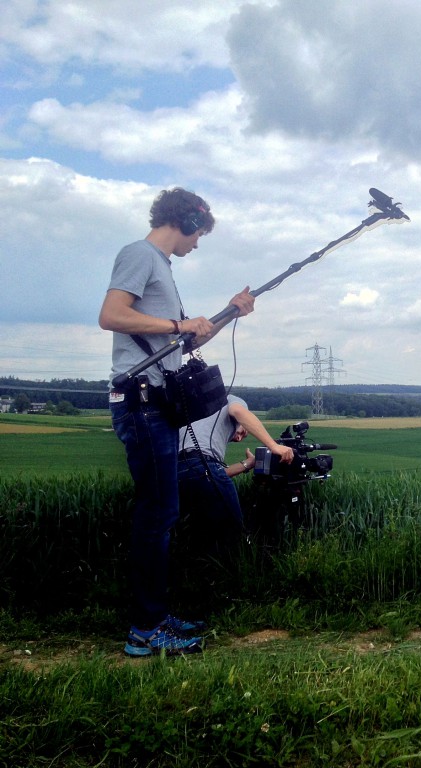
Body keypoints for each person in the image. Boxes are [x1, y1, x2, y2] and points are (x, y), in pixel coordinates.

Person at [99, 187, 255, 657]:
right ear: (187, 220)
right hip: (141, 402)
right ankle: (145, 631)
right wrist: (177, 326)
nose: (197, 244)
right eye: (199, 234)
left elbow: (183, 343)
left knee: (161, 514)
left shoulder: (160, 269)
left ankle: (153, 619)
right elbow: (111, 316)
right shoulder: (140, 254)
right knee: (156, 516)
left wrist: (228, 313)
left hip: (156, 404)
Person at [176, 394, 294, 563]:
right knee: (234, 534)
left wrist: (248, 463)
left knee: (201, 535)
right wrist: (274, 446)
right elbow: (238, 411)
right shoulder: (230, 400)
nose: (238, 438)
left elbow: (211, 475)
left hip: (176, 473)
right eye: (242, 433)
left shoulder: (194, 409)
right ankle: (236, 576)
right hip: (203, 469)